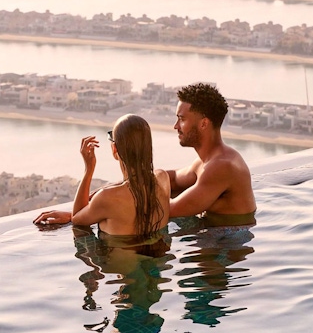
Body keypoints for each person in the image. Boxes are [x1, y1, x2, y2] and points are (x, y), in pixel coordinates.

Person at [33, 114, 171, 238]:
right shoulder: (163, 178)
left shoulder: (107, 198)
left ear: (115, 149)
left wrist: (89, 169)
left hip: (121, 266)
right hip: (158, 263)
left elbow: (76, 218)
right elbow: (133, 186)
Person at [167, 83, 257, 226]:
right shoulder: (205, 162)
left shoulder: (222, 166)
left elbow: (168, 210)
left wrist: (122, 199)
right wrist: (128, 183)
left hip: (228, 242)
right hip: (214, 234)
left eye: (182, 119)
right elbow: (172, 180)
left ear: (204, 124)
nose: (176, 126)